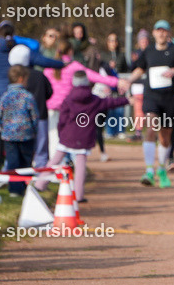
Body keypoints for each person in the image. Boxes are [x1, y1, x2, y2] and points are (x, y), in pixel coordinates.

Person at [35, 71, 129, 202]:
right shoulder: (94, 100)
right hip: (83, 138)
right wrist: (127, 100)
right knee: (80, 167)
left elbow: (62, 120)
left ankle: (40, 184)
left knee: (54, 161)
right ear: (87, 82)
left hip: (67, 135)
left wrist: (61, 132)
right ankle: (78, 195)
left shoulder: (68, 99)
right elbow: (110, 103)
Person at [127, 20, 174, 188]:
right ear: (154, 33)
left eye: (165, 31)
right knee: (150, 127)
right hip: (151, 97)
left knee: (165, 136)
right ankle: (149, 171)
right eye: (158, 31)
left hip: (170, 99)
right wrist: (127, 81)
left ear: (169, 33)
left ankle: (161, 169)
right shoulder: (148, 51)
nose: (161, 34)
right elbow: (140, 69)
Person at [42, 40, 121, 158]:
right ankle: (74, 169)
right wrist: (117, 82)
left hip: (52, 108)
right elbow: (94, 76)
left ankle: (57, 170)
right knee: (74, 141)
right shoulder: (74, 66)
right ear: (70, 51)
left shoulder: (48, 68)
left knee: (55, 141)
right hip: (69, 109)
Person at [0, 65, 39, 197]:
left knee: (12, 163)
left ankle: (14, 189)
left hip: (9, 136)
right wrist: (34, 129)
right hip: (26, 135)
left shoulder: (4, 96)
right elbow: (34, 116)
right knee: (26, 162)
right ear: (21, 79)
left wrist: (2, 129)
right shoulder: (27, 96)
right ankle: (26, 187)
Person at [7, 45, 53, 168]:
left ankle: (10, 171)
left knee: (18, 150)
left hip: (19, 119)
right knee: (41, 148)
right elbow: (50, 92)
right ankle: (40, 173)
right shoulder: (39, 75)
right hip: (41, 114)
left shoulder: (13, 77)